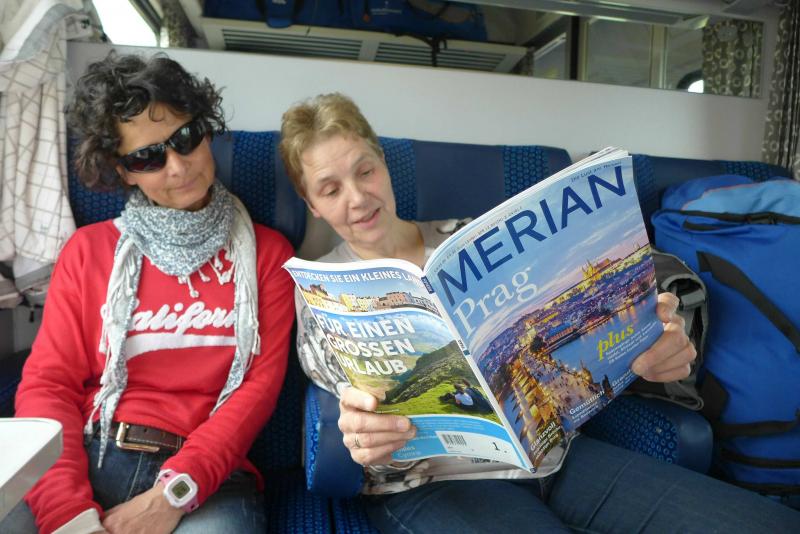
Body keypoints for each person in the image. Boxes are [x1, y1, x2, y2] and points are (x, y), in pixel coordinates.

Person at [281, 93, 800, 533]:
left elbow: (585, 336)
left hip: (556, 455)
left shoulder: (476, 239)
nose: (358, 198)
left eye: (365, 171)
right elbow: (345, 400)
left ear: (383, 164)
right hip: (431, 483)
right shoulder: (320, 289)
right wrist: (359, 428)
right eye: (331, 189)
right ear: (312, 204)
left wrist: (654, 337)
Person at [0, 53, 295, 534]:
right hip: (92, 452)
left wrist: (175, 493)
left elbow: (256, 390)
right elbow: (48, 385)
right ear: (124, 172)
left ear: (205, 131)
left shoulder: (269, 255)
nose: (178, 167)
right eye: (147, 157)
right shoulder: (87, 251)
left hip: (209, 477)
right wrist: (65, 512)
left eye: (185, 138)